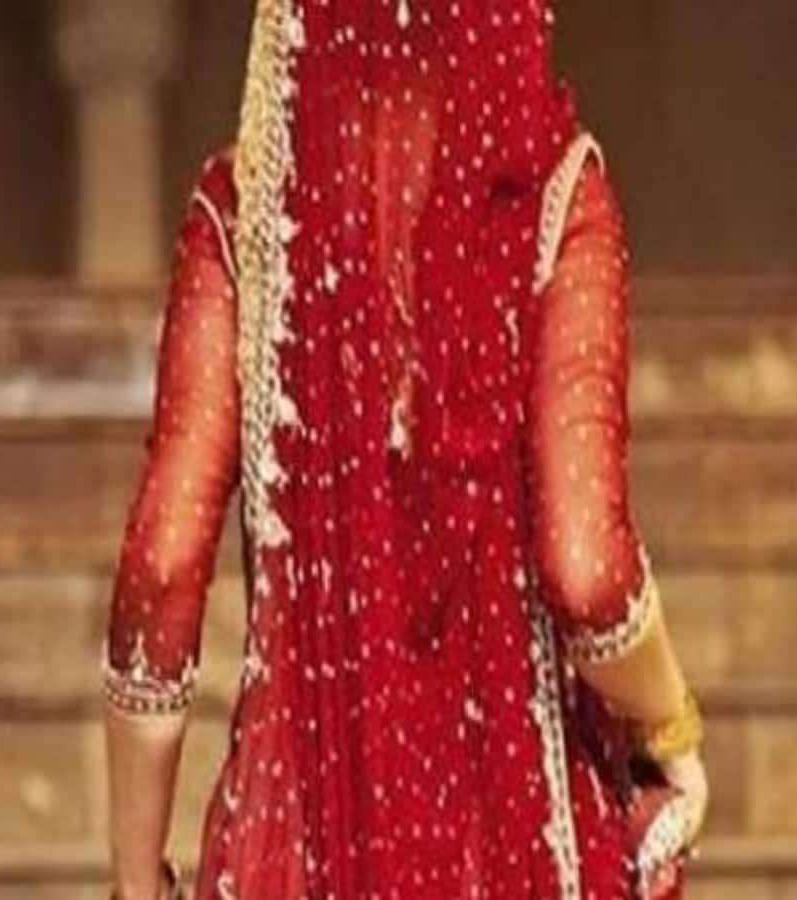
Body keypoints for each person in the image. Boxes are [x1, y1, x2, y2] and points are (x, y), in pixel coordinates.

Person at [101, 1, 709, 898]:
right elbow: (587, 571)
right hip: (517, 849)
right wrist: (672, 729)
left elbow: (161, 567)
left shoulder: (246, 216)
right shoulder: (551, 195)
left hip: (294, 848)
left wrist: (134, 877)